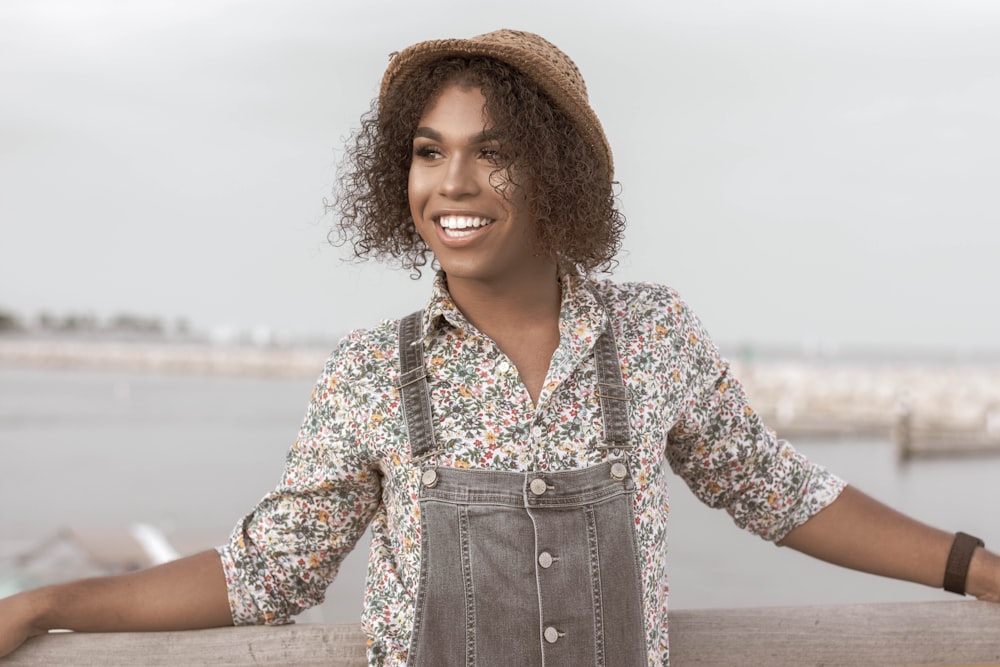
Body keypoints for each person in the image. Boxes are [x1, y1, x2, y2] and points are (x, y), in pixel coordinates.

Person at [1, 28, 998, 667]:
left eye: (493, 150)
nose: (452, 183)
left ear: (556, 174)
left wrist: (980, 570)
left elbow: (776, 491)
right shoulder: (371, 372)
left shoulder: (650, 335)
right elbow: (270, 574)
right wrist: (49, 603)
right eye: (429, 151)